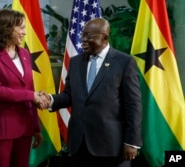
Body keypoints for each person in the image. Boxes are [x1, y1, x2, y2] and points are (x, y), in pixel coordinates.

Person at [40, 18, 142, 167]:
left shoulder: (124, 62)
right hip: (79, 144)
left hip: (111, 146)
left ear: (105, 37)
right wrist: (50, 100)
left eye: (89, 36)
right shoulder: (75, 62)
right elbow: (69, 95)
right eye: (83, 35)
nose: (83, 40)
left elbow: (133, 104)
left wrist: (132, 142)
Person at [0, 9, 48, 167]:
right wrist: (32, 96)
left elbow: (30, 88)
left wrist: (36, 127)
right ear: (6, 28)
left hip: (24, 124)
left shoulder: (25, 54)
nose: (24, 32)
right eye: (21, 27)